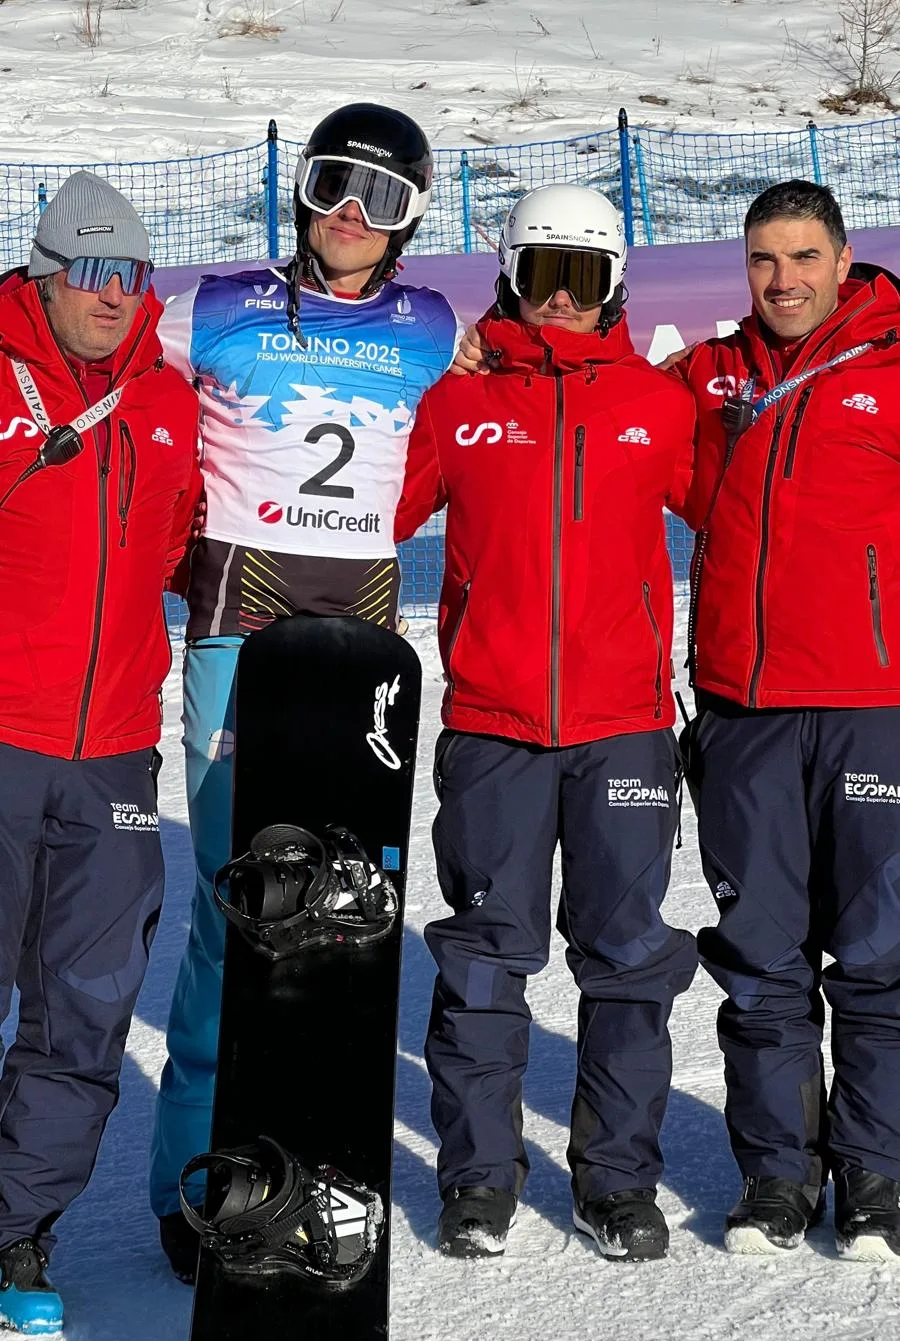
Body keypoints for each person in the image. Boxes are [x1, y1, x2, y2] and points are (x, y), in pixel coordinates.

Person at [150, 103, 460, 1281]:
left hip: (361, 660)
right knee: (232, 919)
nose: (350, 214)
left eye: (381, 198)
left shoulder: (433, 325)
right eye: (336, 183)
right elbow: (125, 367)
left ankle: (320, 1165)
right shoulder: (221, 304)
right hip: (239, 643)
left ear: (411, 219)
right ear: (303, 191)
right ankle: (194, 1181)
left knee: (344, 925)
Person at [395, 182, 697, 1262]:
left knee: (625, 960)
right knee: (485, 957)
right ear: (510, 282)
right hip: (494, 726)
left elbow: (751, 507)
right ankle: (478, 1178)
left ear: (614, 285)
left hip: (622, 726)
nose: (560, 302)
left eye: (582, 279)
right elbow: (373, 513)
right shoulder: (456, 405)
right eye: (540, 277)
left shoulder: (660, 406)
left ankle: (616, 1180)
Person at [672, 180, 900, 1259]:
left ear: (845, 262)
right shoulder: (709, 376)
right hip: (745, 712)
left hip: (874, 709)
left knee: (879, 956)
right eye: (765, 260)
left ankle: (877, 1177)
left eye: (804, 257)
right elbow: (597, 404)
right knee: (761, 959)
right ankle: (775, 1177)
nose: (784, 280)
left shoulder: (894, 365)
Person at [0, 172, 202, 1335]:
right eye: (92, 273)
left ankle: (16, 1225)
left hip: (114, 753)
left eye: (132, 275)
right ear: (46, 273)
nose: (114, 296)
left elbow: (186, 547)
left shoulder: (167, 405)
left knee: (83, 1013)